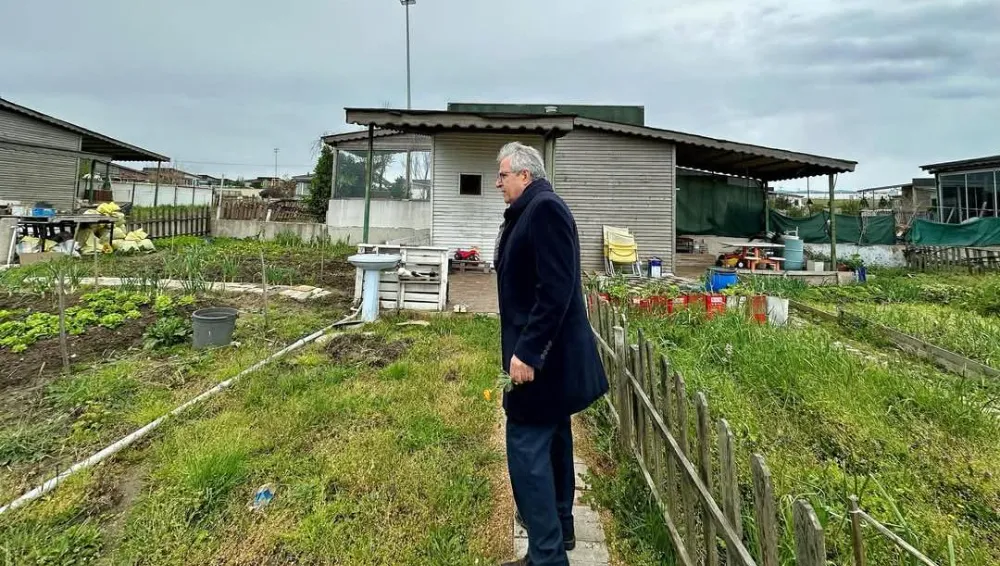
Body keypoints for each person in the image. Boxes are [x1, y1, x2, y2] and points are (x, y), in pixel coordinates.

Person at [494, 141, 609, 566]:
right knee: (556, 439)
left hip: (543, 360)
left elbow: (556, 289)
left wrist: (527, 352)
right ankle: (561, 529)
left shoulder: (544, 210)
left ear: (525, 175)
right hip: (552, 362)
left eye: (503, 174)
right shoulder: (531, 209)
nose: (498, 182)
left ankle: (545, 556)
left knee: (524, 446)